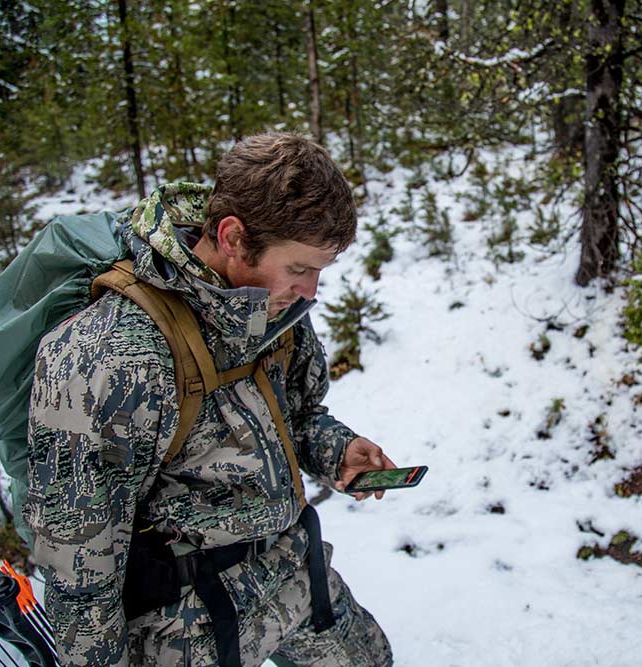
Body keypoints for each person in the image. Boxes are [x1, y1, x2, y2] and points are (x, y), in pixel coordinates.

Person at [24, 133, 395, 667]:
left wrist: (336, 450)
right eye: (298, 269)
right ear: (232, 237)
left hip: (291, 570)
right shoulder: (109, 355)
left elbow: (300, 414)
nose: (312, 290)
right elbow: (77, 564)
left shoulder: (276, 310)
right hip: (183, 629)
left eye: (320, 270)